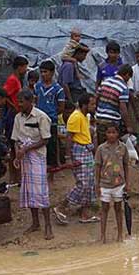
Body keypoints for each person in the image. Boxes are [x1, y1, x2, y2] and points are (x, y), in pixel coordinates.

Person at [12, 90, 54, 240]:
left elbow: (45, 140)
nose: (19, 104)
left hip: (37, 157)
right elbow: (16, 139)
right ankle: (35, 223)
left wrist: (26, 149)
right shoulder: (18, 118)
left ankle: (48, 225)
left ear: (30, 101)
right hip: (24, 157)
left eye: (21, 101)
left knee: (41, 191)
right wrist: (18, 155)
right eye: (18, 101)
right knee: (29, 191)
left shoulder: (41, 117)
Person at [54, 93, 97, 224]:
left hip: (86, 150)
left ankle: (84, 214)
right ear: (84, 105)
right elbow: (69, 137)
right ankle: (61, 206)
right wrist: (68, 157)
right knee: (83, 184)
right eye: (92, 104)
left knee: (89, 183)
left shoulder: (84, 116)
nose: (94, 106)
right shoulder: (76, 117)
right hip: (80, 150)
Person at [95, 124, 129, 243]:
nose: (111, 135)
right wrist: (97, 184)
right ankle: (103, 236)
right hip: (104, 184)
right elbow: (98, 167)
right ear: (105, 134)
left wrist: (127, 184)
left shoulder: (123, 147)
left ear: (118, 133)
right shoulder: (101, 149)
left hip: (119, 184)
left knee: (118, 208)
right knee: (104, 209)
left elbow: (126, 165)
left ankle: (120, 235)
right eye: (109, 132)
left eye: (113, 132)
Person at [34, 60, 66, 172]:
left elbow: (61, 107)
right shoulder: (37, 86)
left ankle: (52, 170)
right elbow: (35, 101)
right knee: (39, 143)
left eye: (45, 72)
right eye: (41, 72)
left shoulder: (58, 89)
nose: (43, 74)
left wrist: (51, 115)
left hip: (51, 121)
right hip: (38, 121)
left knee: (51, 144)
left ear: (52, 73)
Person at [95, 64, 133, 144]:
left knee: (101, 144)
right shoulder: (123, 88)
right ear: (126, 75)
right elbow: (123, 109)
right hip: (112, 121)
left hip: (99, 118)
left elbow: (97, 98)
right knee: (111, 145)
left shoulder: (105, 81)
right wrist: (128, 126)